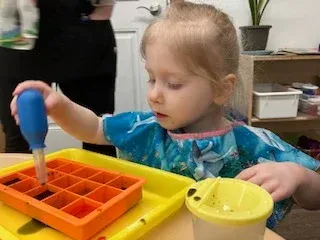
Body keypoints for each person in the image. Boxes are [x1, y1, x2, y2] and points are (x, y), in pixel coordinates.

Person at [10, 2, 320, 228]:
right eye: (151, 78)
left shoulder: (253, 144)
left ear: (222, 89)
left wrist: (298, 176)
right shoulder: (145, 128)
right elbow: (93, 128)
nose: (155, 93)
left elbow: (315, 196)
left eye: (173, 83)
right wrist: (59, 105)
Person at [0, 0, 117, 156]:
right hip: (17, 27)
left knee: (101, 136)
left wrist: (102, 5)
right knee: (19, 141)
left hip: (84, 26)